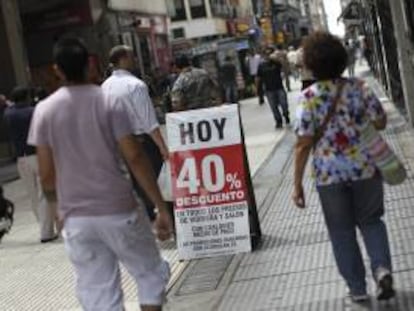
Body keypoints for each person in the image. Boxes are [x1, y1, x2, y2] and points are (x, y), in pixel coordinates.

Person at [28, 37, 173, 311]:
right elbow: (134, 156)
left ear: (57, 70)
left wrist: (59, 211)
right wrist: (159, 205)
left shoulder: (44, 111)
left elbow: (46, 175)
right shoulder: (108, 102)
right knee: (150, 274)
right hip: (118, 209)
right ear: (88, 65)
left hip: (77, 218)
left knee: (98, 294)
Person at [293, 32, 395, 302]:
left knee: (341, 232)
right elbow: (382, 122)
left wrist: (296, 186)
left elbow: (303, 144)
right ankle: (382, 269)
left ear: (312, 63)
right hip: (366, 169)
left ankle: (357, 289)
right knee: (372, 221)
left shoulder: (309, 97)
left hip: (329, 176)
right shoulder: (360, 88)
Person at [102, 45, 169, 222]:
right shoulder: (135, 85)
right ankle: (163, 216)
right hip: (141, 142)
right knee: (155, 180)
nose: (136, 60)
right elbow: (148, 120)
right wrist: (162, 146)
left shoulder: (104, 87)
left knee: (132, 184)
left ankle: (147, 218)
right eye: (132, 56)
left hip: (116, 144)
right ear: (123, 59)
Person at [4, 86, 59, 243]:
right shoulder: (33, 111)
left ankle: (43, 225)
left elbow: (8, 107)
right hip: (38, 155)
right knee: (45, 193)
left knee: (33, 194)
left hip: (21, 158)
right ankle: (46, 231)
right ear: (27, 97)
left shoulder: (9, 114)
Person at [256, 47, 290, 129]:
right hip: (269, 89)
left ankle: (285, 114)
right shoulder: (261, 66)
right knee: (273, 107)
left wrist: (276, 59)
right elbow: (258, 78)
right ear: (263, 56)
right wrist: (258, 88)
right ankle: (278, 121)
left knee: (284, 103)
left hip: (279, 87)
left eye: (269, 54)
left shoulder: (276, 63)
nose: (267, 56)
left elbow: (283, 66)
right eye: (265, 54)